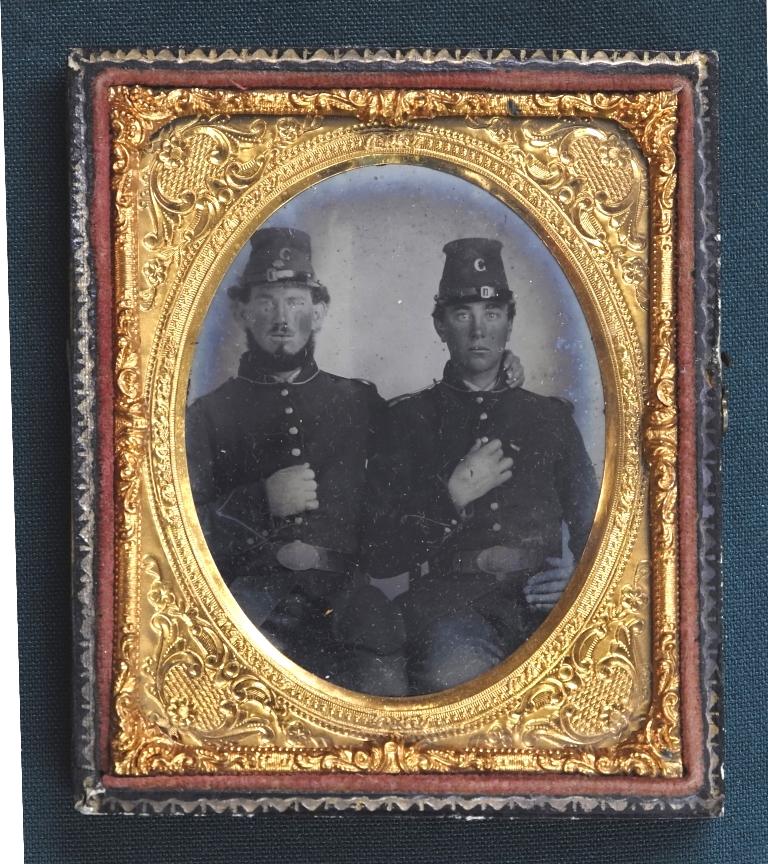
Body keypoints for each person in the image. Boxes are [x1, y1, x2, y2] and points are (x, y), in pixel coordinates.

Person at [365, 237, 600, 695]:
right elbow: (380, 553)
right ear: (440, 325)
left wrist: (576, 579)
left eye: (492, 314)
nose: (479, 331)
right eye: (462, 314)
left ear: (509, 322)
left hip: (544, 602)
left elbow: (596, 522)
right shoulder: (408, 419)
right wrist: (451, 495)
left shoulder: (549, 418)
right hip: (449, 610)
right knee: (459, 683)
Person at [186, 227, 404, 695]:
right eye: (266, 302)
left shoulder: (358, 401)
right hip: (252, 614)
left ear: (318, 312)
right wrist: (260, 500)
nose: (282, 318)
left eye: (295, 301)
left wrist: (502, 372)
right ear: (242, 311)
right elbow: (180, 534)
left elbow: (427, 439)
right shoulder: (207, 415)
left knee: (386, 698)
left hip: (349, 610)